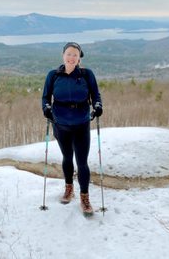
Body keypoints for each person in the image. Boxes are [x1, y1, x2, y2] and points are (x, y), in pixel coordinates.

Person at [42, 42, 103, 216]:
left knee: (82, 162)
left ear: (79, 58)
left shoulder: (86, 74)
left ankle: (85, 197)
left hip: (81, 124)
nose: (71, 57)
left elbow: (96, 95)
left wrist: (98, 106)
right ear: (63, 55)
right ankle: (69, 188)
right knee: (67, 157)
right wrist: (46, 108)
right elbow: (45, 97)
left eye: (75, 55)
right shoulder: (53, 75)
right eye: (69, 54)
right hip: (60, 124)